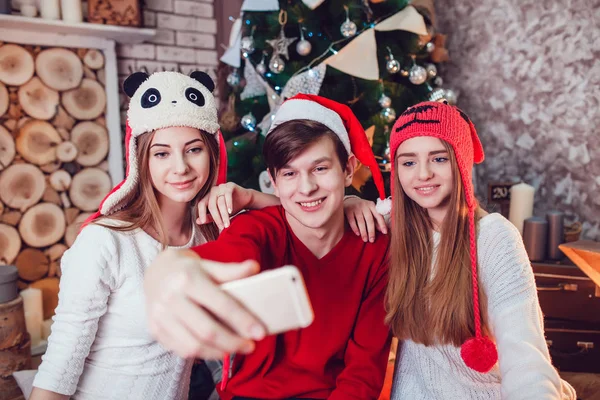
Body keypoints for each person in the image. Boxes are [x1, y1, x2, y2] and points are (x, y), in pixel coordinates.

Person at [29, 71, 382, 400]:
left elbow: (301, 207)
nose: (180, 167)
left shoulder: (211, 227)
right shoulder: (106, 240)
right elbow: (61, 361)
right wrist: (167, 274)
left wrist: (347, 202)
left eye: (193, 149)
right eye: (162, 153)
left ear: (212, 153)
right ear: (141, 161)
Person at [144, 94, 392, 400]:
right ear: (273, 182)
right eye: (289, 173)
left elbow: (364, 371)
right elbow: (214, 258)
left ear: (348, 169)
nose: (306, 187)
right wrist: (167, 272)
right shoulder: (259, 229)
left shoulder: (375, 246)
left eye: (320, 168)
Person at [385, 101, 576, 399]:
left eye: (438, 158)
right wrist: (350, 202)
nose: (422, 174)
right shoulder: (394, 231)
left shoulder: (494, 237)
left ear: (460, 161)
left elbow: (524, 354)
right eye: (408, 162)